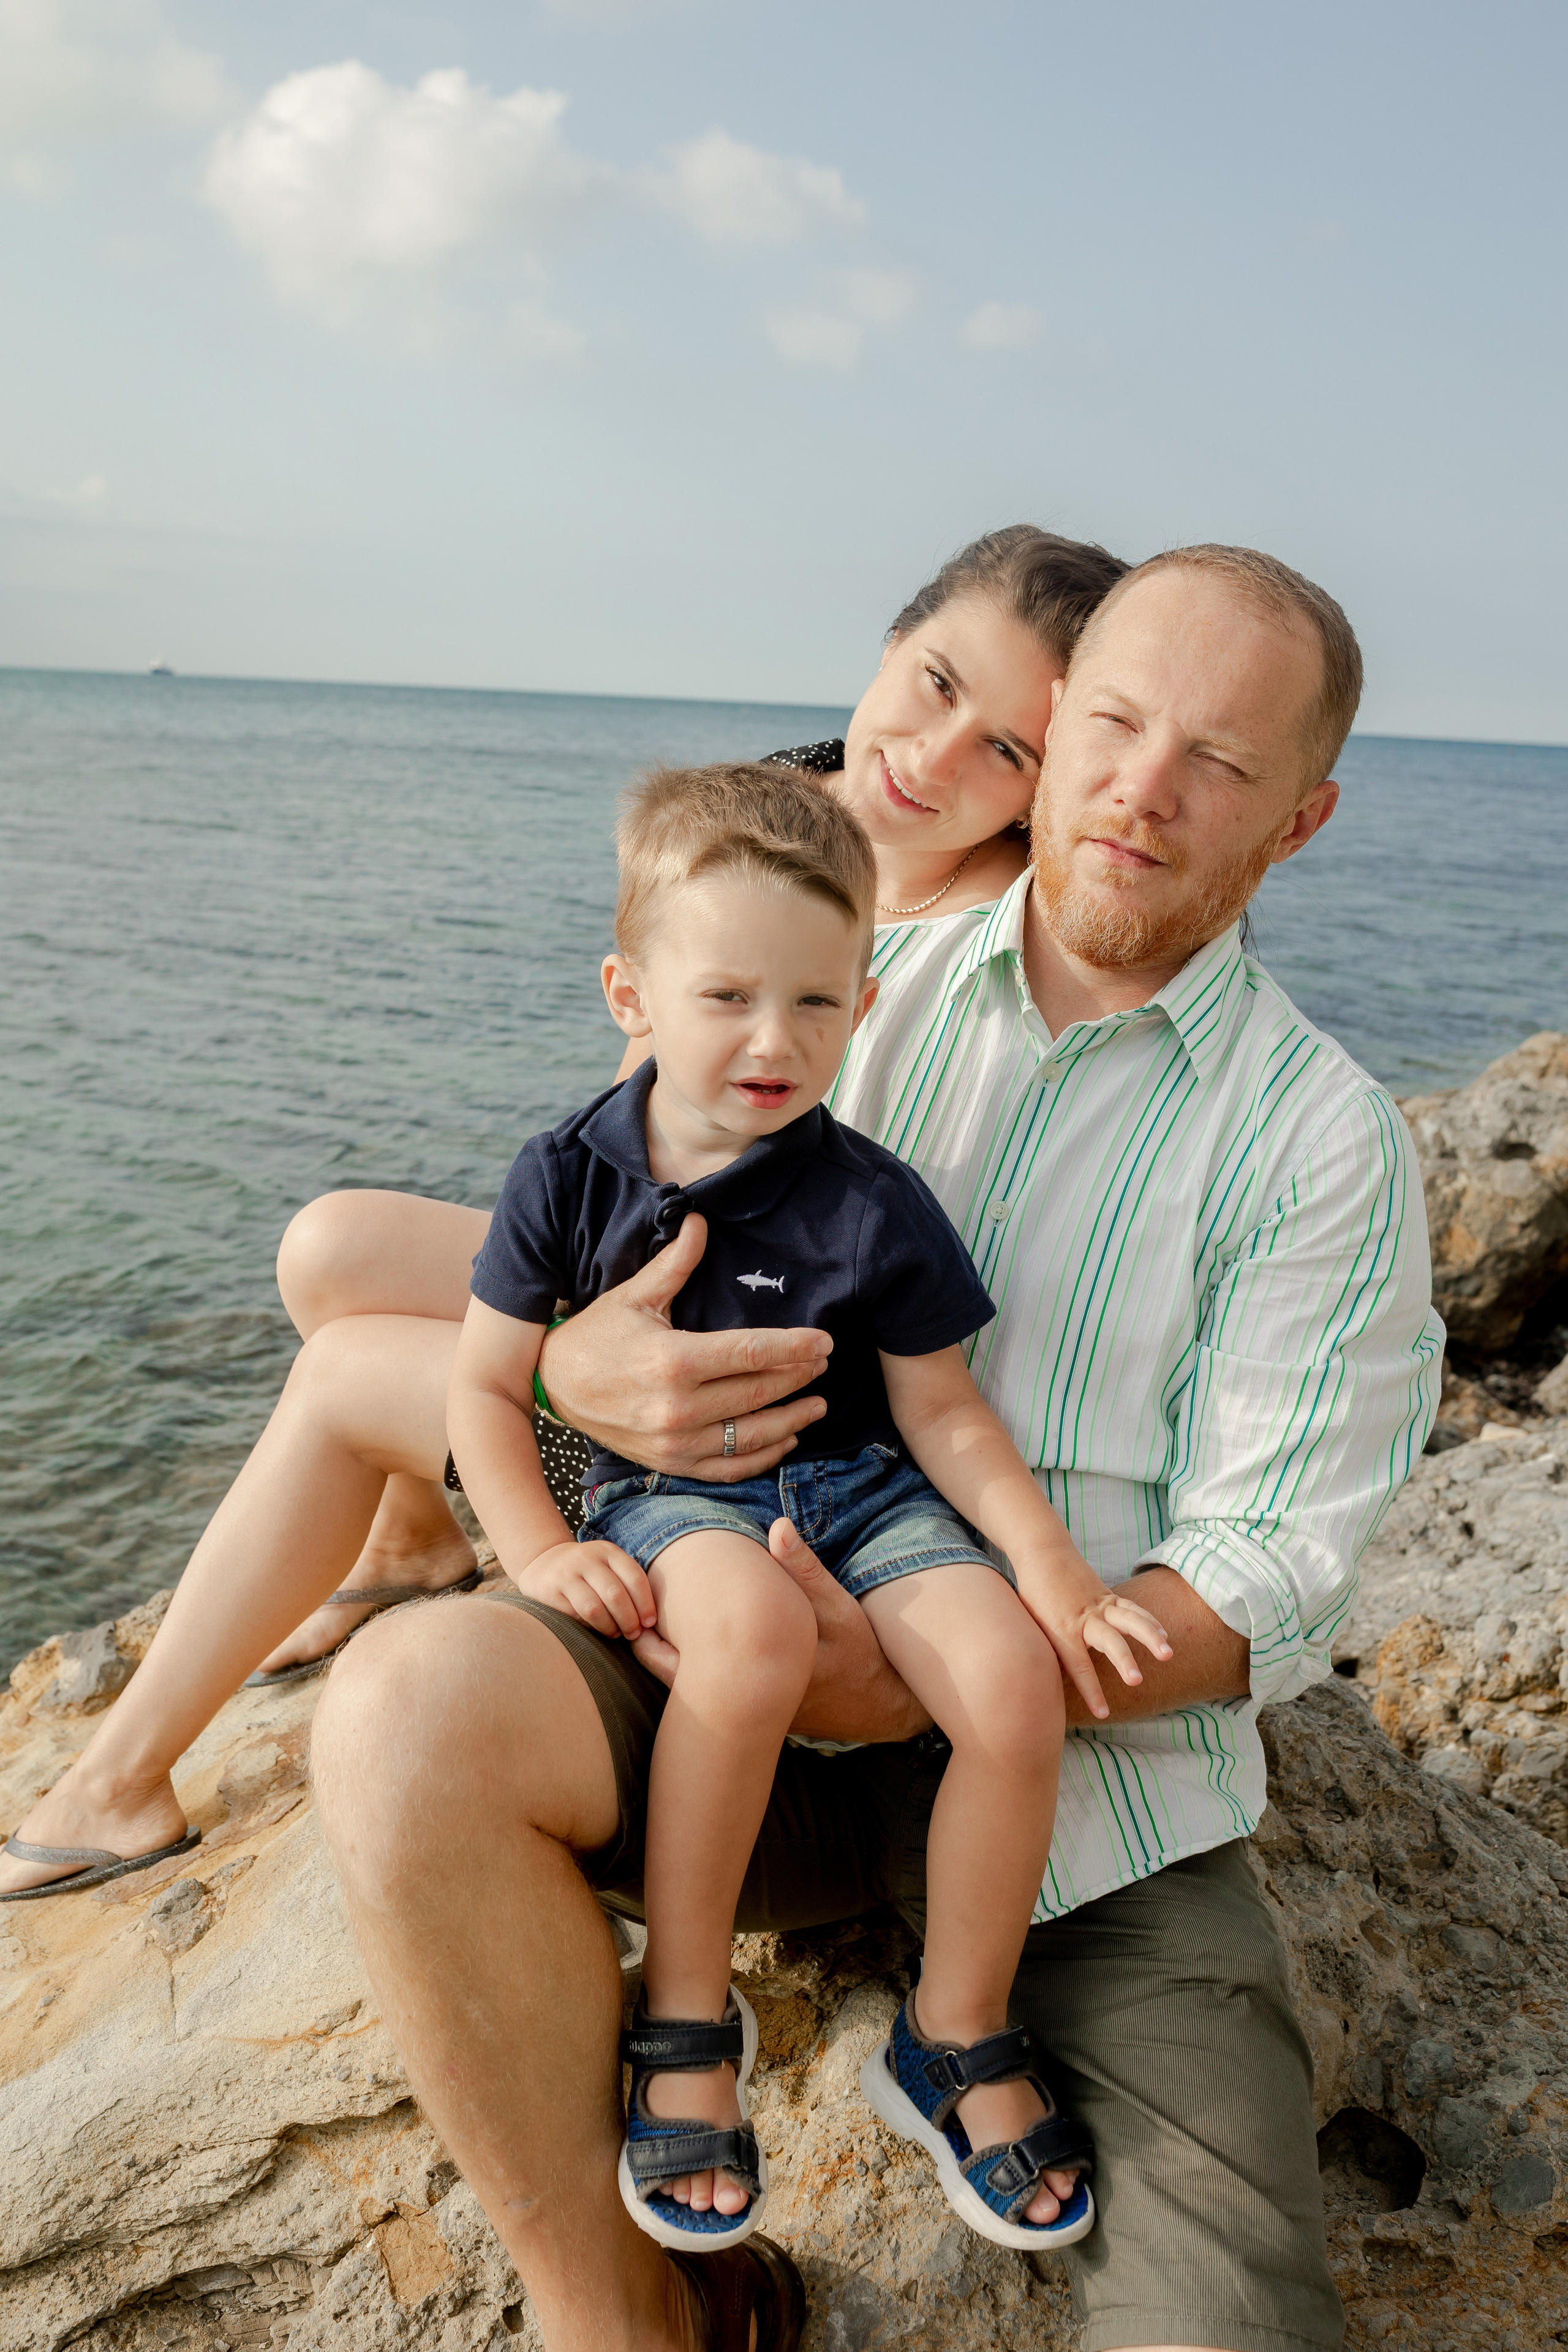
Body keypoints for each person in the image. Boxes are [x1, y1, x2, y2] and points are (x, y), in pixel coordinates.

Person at [303, 545, 1441, 2352]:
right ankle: (640, 2320)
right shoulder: (834, 981)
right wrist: (586, 1383)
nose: (1146, 789)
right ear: (1056, 740)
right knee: (397, 1714)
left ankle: (960, 2025)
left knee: (1227, 2326)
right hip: (715, 1669)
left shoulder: (1321, 1142)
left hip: (1092, 1798)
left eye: (1216, 763)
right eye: (1119, 727)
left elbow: (1270, 1573)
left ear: (1296, 824)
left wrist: (923, 1678)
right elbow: (584, 1241)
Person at [0, 522, 1121, 1904]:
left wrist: (562, 1375)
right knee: (329, 1248)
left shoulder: (998, 933)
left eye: (1007, 751)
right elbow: (629, 1124)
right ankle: (411, 1536)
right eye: (938, 683)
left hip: (761, 1396)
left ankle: (118, 1782)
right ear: (892, 643)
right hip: (655, 1286)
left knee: (349, 1369)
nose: (934, 758)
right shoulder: (767, 808)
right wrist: (570, 1342)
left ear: (1041, 791)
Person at [449, 760, 1170, 2255]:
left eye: (817, 1005)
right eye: (725, 999)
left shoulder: (872, 1199)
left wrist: (1049, 1569)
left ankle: (952, 2030)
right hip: (674, 1497)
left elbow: (942, 1412)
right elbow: (483, 1391)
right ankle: (690, 2010)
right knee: (751, 1645)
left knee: (1011, 1688)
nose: (773, 1043)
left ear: (861, 1000)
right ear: (628, 992)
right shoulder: (565, 1175)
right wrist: (539, 1549)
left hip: (862, 1488)